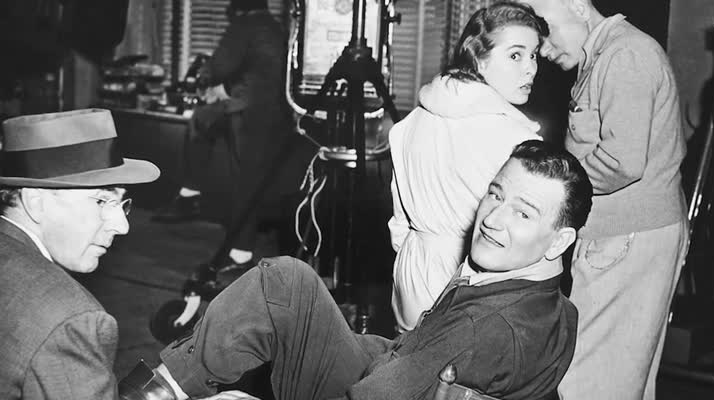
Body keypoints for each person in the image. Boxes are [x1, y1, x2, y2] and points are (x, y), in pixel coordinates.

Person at [120, 140, 593, 400]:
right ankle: (167, 388)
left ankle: (155, 393)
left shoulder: (487, 326)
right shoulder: (546, 301)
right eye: (496, 193)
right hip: (394, 374)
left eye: (523, 212)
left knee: (278, 288)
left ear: (560, 240)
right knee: (289, 282)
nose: (493, 219)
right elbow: (419, 363)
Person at [0, 109, 248, 400]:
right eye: (102, 200)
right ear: (35, 202)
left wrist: (160, 389)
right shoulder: (71, 319)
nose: (123, 226)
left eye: (122, 203)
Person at [519, 1, 689, 399]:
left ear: (577, 6)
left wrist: (553, 189)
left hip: (627, 235)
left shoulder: (625, 55)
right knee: (619, 378)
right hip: (623, 234)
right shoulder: (605, 55)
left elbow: (622, 161)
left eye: (544, 27)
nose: (542, 48)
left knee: (590, 382)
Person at [388, 1, 547, 331]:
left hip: (412, 274)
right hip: (471, 283)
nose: (531, 69)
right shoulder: (517, 140)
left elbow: (399, 223)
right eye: (515, 55)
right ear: (479, 59)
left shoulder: (411, 122)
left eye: (533, 55)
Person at [153, 0, 296, 272]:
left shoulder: (245, 24)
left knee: (243, 180)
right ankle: (189, 196)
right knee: (205, 122)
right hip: (278, 114)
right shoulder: (276, 28)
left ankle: (236, 252)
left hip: (249, 112)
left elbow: (220, 65)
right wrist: (226, 89)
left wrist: (207, 78)